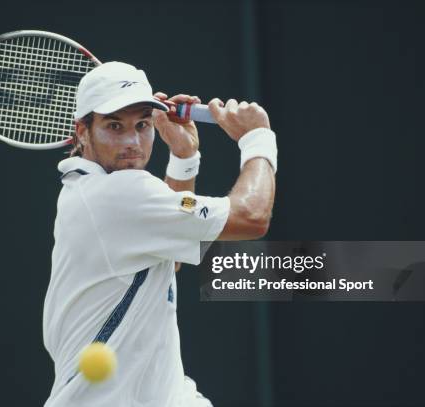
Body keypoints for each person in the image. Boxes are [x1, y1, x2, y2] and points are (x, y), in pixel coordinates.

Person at [43, 61, 277, 406]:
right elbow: (252, 216)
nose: (133, 142)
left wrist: (184, 157)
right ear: (82, 131)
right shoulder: (118, 193)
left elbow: (168, 258)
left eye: (142, 124)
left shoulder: (88, 191)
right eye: (114, 126)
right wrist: (257, 138)